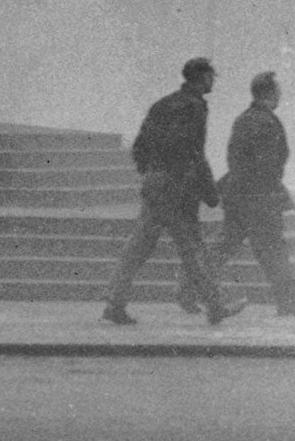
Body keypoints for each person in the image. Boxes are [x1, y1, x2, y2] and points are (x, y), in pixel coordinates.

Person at [101, 57, 245, 326]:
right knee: (193, 248)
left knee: (139, 247)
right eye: (211, 76)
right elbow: (194, 153)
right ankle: (215, 305)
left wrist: (153, 171)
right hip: (178, 190)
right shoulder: (194, 107)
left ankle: (114, 301)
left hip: (155, 184)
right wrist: (210, 191)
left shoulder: (163, 104)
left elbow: (140, 146)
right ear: (201, 78)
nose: (213, 80)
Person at [205, 72, 295, 317]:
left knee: (224, 246)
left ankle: (189, 289)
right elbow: (270, 163)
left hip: (237, 195)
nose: (280, 96)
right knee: (274, 250)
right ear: (270, 94)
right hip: (260, 198)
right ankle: (288, 302)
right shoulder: (267, 122)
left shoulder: (243, 119)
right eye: (278, 92)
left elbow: (236, 158)